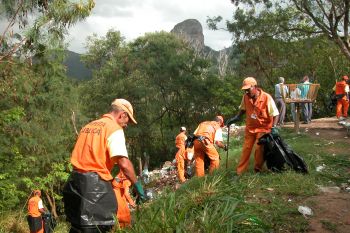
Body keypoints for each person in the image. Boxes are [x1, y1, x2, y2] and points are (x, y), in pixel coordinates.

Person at [63, 98, 146, 233]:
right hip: (95, 189)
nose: (126, 125)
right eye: (128, 121)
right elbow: (124, 164)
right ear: (122, 115)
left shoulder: (88, 126)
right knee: (98, 228)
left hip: (74, 184)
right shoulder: (114, 129)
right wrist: (137, 186)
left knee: (77, 228)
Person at [226, 77, 279, 175]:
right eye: (245, 90)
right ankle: (239, 172)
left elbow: (275, 114)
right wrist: (235, 118)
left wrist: (274, 127)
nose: (246, 92)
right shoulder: (245, 97)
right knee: (246, 149)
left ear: (255, 87)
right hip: (250, 128)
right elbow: (242, 110)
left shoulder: (267, 97)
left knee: (259, 149)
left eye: (248, 89)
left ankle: (257, 169)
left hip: (263, 128)